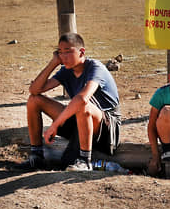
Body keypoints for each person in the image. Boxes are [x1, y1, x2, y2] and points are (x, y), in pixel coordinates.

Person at [17, 32, 121, 171]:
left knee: (83, 105)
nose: (63, 56)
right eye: (60, 52)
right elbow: (35, 90)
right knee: (34, 100)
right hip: (80, 122)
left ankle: (85, 161)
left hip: (106, 129)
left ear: (81, 52)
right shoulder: (66, 71)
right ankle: (37, 156)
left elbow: (82, 98)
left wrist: (55, 125)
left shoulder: (96, 68)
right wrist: (53, 63)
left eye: (68, 51)